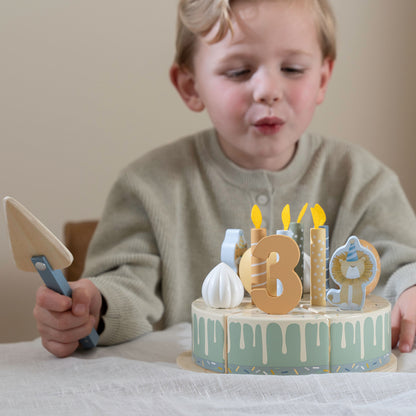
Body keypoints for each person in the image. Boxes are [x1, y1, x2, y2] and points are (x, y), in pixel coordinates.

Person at [34, 0, 416, 358]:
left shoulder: (363, 181)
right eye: (239, 71)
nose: (267, 90)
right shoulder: (148, 187)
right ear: (190, 86)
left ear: (323, 77)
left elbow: (402, 264)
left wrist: (410, 291)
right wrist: (92, 306)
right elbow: (123, 287)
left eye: (293, 69)